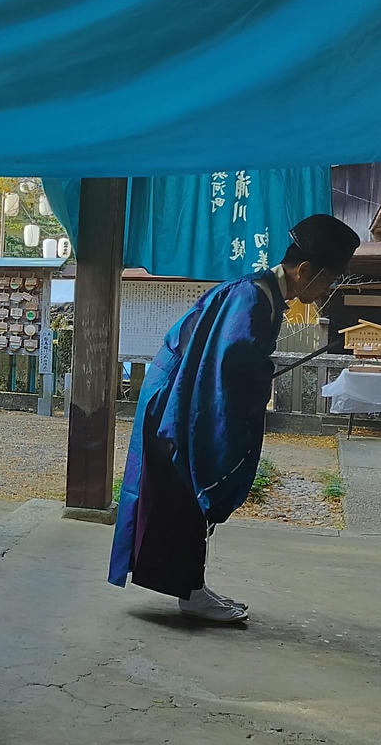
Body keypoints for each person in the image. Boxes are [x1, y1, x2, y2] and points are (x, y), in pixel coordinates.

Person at [109, 214, 360, 622]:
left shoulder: (261, 293)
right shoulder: (253, 298)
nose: (327, 291)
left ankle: (191, 588)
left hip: (181, 393)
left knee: (182, 494)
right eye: (328, 281)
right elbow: (229, 366)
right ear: (305, 271)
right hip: (181, 400)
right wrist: (257, 382)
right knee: (192, 487)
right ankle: (191, 593)